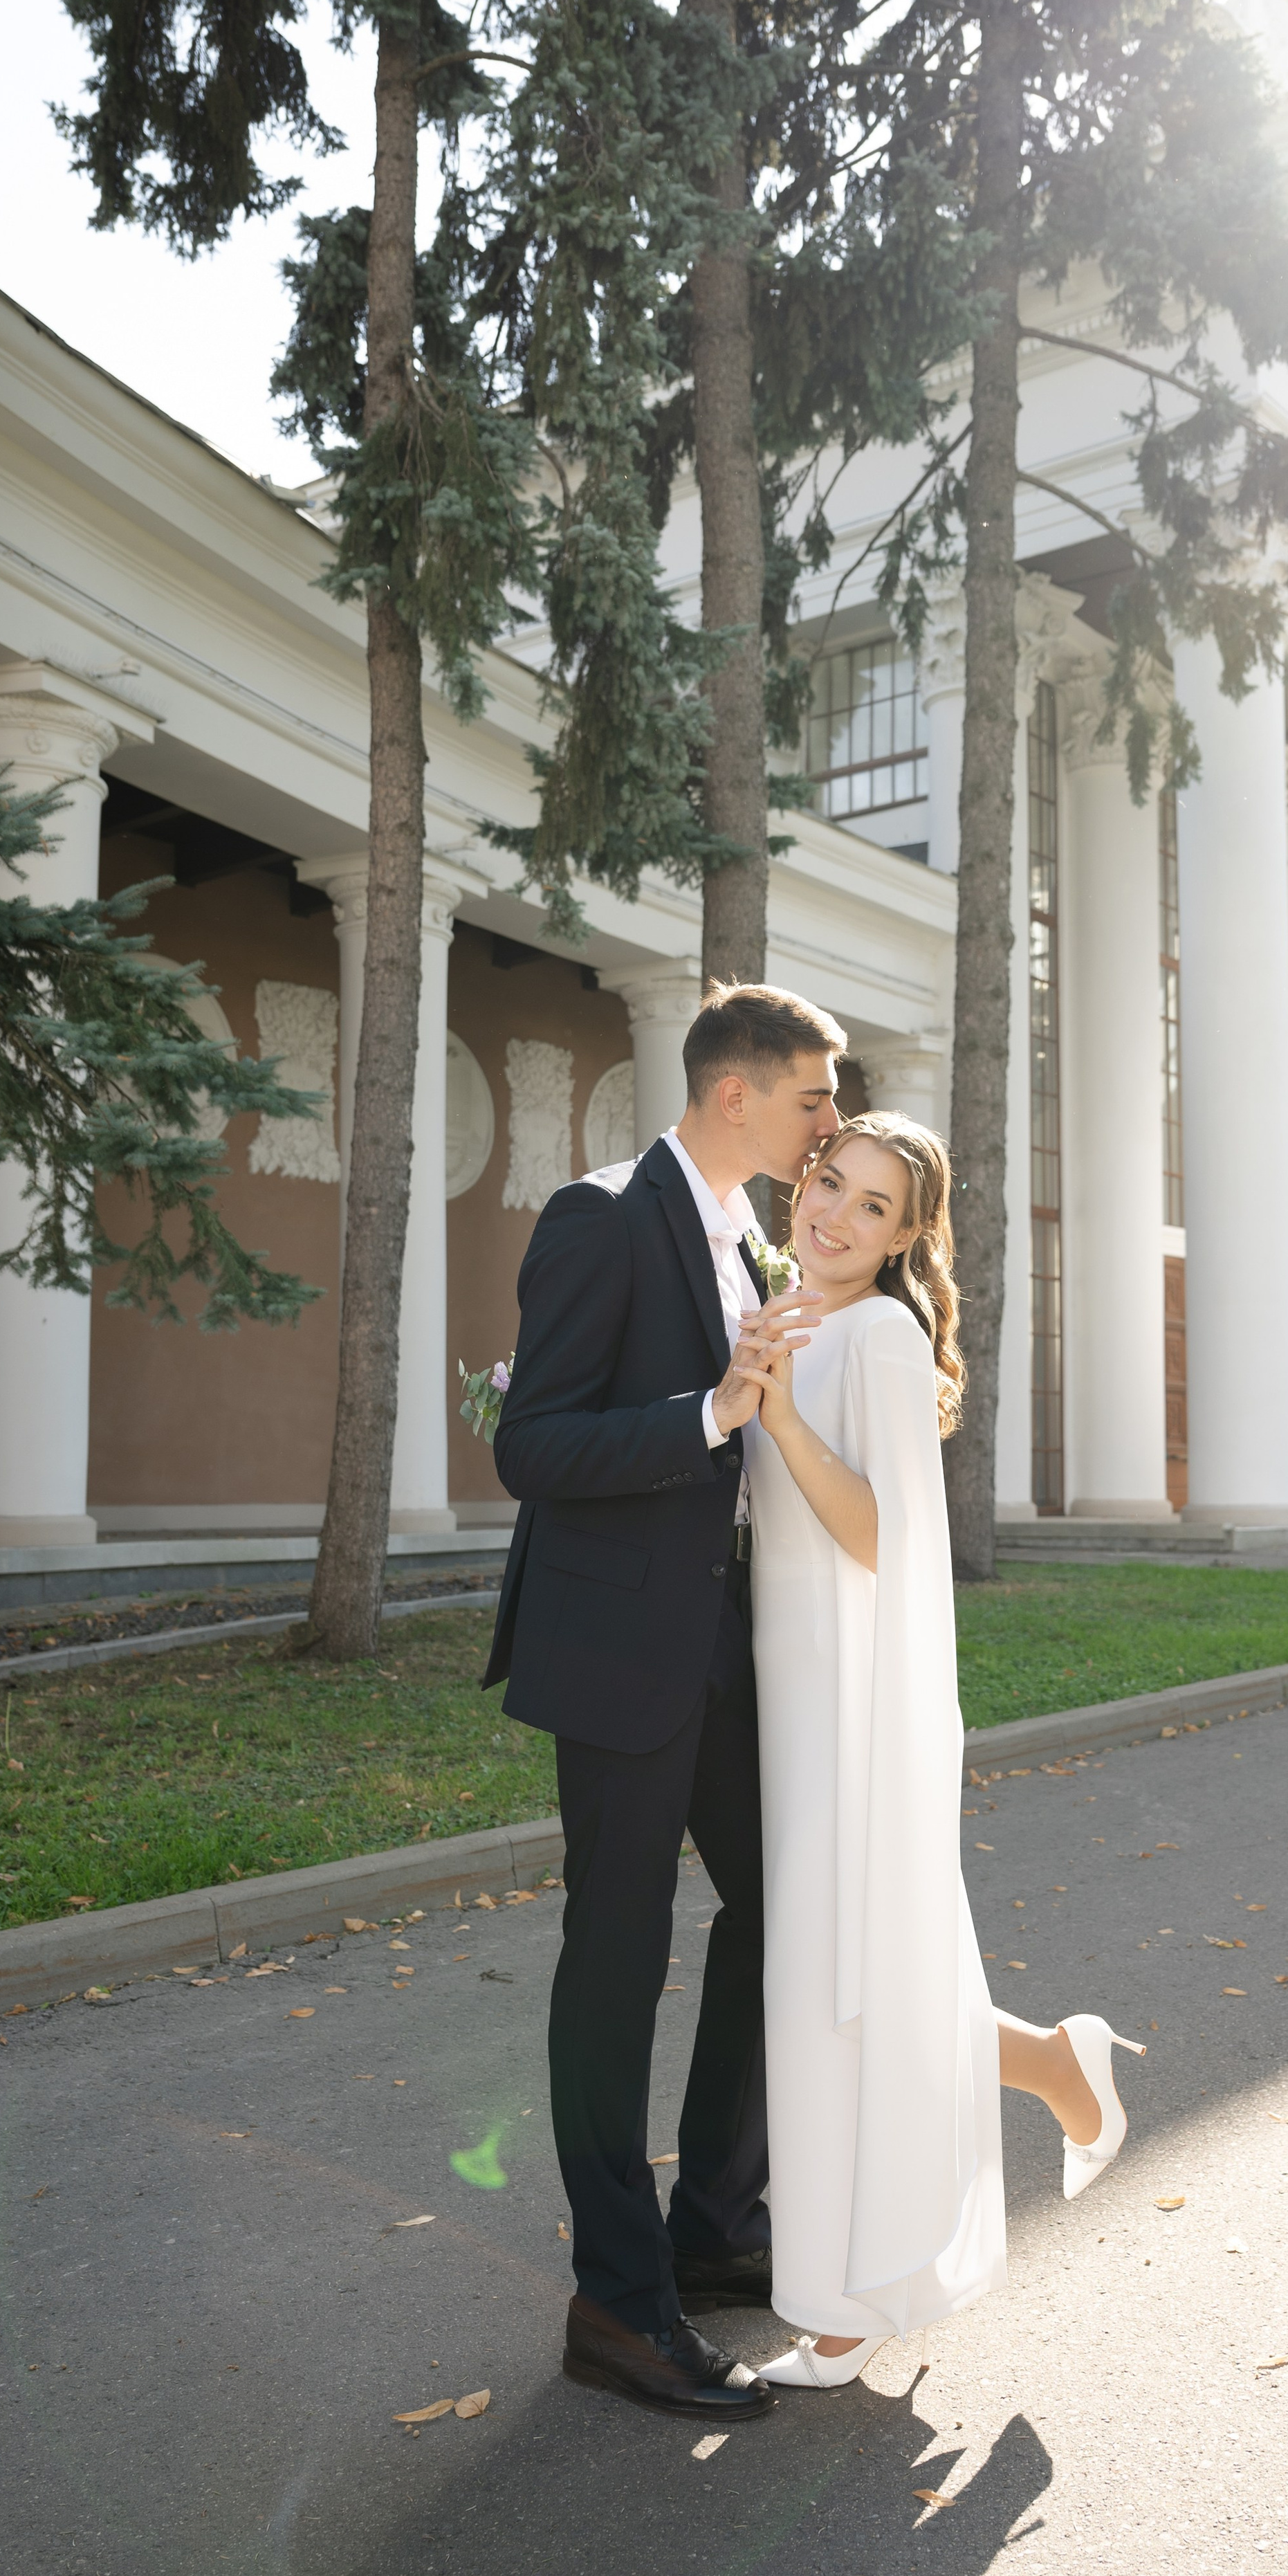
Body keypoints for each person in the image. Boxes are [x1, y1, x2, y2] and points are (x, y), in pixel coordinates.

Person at [725, 1113, 1147, 2390]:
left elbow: (884, 1537)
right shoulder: (787, 1306)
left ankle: (852, 2305)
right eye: (829, 1186)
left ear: (910, 1235)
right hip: (784, 1687)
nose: (837, 1217)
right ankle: (1054, 2062)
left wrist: (783, 1418)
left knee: (843, 1983)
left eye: (873, 1207)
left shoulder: (886, 1334)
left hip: (857, 1697)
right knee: (853, 1978)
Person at [483, 982, 843, 2422]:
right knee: (616, 1959)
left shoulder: (750, 1235)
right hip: (617, 1650)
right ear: (736, 1092)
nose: (828, 1124)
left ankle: (708, 2230)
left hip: (721, 1645)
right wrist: (710, 1411)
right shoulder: (596, 1215)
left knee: (781, 1903)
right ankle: (614, 2303)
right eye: (815, 1097)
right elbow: (533, 1445)